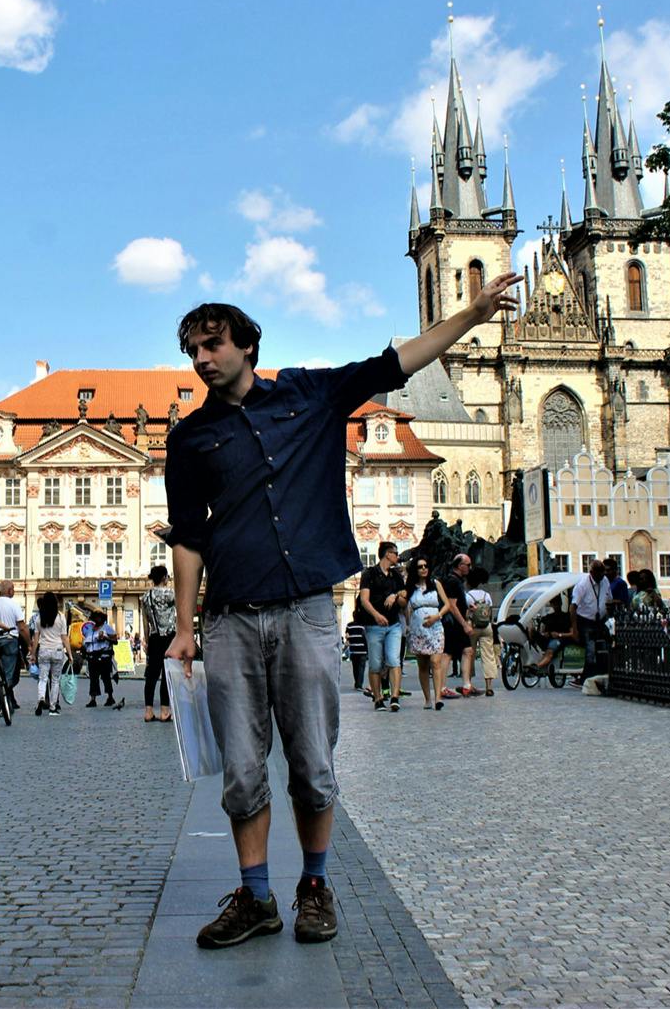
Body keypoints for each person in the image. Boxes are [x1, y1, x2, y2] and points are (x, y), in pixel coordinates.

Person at [161, 273, 519, 949]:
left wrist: (470, 315)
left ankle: (315, 885)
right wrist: (185, 627)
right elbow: (187, 536)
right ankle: (257, 896)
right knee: (241, 769)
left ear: (246, 345)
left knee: (313, 766)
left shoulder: (310, 393)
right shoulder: (191, 438)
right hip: (231, 616)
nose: (203, 360)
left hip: (305, 611)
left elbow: (399, 362)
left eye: (212, 345)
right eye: (194, 351)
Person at [358, 542, 407, 711]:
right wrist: (376, 615)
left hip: (394, 624)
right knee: (376, 664)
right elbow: (364, 600)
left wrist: (395, 595)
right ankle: (378, 698)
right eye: (396, 553)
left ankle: (394, 697)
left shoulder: (396, 575)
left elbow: (404, 598)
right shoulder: (369, 574)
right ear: (387, 554)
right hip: (373, 625)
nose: (397, 556)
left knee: (394, 660)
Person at [406, 556, 451, 709]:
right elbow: (405, 605)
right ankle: (427, 699)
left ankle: (438, 697)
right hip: (418, 629)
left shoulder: (435, 584)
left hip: (436, 626)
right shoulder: (411, 587)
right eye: (420, 566)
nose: (424, 569)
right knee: (423, 665)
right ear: (415, 570)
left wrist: (437, 616)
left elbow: (447, 605)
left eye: (426, 566)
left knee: (435, 662)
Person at [141, 565, 177, 723]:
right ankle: (165, 711)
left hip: (154, 637)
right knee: (166, 673)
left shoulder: (145, 597)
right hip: (170, 637)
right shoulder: (171, 594)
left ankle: (148, 711)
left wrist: (147, 640)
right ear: (164, 578)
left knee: (151, 675)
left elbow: (145, 621)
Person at [0, 580, 27, 712]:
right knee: (9, 674)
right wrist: (29, 644)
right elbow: (22, 627)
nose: (14, 591)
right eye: (13, 589)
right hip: (10, 640)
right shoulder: (14, 605)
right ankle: (7, 704)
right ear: (9, 591)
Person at [440, 554, 477, 698]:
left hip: (457, 621)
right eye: (467, 565)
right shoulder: (452, 581)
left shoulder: (457, 581)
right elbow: (452, 606)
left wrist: (468, 608)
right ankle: (442, 687)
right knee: (447, 653)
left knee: (467, 650)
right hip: (453, 623)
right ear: (459, 565)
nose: (469, 568)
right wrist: (464, 624)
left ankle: (467, 685)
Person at [570, 558, 612, 685]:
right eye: (598, 573)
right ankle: (586, 678)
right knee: (591, 648)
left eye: (602, 573)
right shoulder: (583, 585)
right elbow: (573, 607)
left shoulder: (605, 581)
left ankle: (602, 673)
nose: (601, 576)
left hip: (600, 620)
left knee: (604, 647)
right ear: (592, 572)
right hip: (585, 620)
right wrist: (575, 628)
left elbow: (609, 599)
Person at [31, 590, 70, 716]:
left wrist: (32, 654)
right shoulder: (60, 617)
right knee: (55, 680)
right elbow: (64, 637)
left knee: (42, 679)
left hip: (44, 650)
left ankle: (41, 698)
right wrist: (69, 653)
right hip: (58, 650)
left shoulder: (39, 618)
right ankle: (53, 707)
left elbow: (36, 638)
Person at [465, 565, 497, 698]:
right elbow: (490, 611)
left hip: (472, 627)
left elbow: (466, 613)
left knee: (469, 655)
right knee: (488, 655)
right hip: (486, 627)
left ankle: (469, 684)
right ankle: (489, 686)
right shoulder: (486, 595)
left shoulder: (468, 596)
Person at [83, 610, 120, 708]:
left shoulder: (107, 628)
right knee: (93, 679)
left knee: (106, 678)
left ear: (102, 619)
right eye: (94, 618)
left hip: (104, 657)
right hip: (92, 657)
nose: (96, 619)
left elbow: (115, 641)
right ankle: (93, 699)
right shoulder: (90, 629)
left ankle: (110, 697)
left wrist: (106, 638)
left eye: (97, 618)